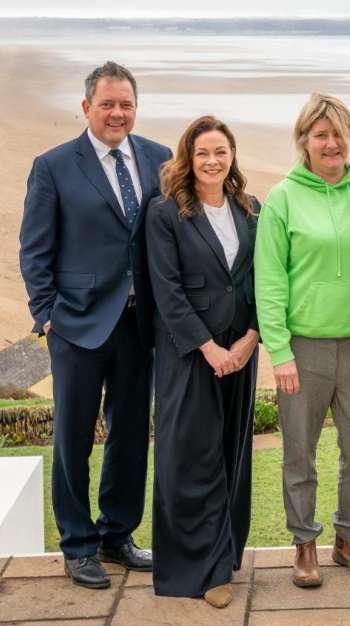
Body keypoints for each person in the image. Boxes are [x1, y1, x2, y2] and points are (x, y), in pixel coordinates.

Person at [19, 62, 170, 588]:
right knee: (74, 439)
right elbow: (35, 248)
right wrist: (47, 316)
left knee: (130, 435)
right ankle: (78, 544)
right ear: (86, 107)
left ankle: (117, 535)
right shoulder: (54, 165)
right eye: (107, 104)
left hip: (140, 324)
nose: (117, 113)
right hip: (78, 325)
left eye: (126, 104)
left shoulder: (159, 158)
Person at [255, 93, 350, 589]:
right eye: (320, 135)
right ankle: (304, 542)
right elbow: (269, 282)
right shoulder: (283, 198)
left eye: (339, 134)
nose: (331, 144)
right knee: (299, 453)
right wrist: (280, 352)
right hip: (303, 349)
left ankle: (348, 536)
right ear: (304, 141)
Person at [145, 116, 260, 608]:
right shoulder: (165, 213)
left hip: (242, 350)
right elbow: (166, 291)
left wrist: (251, 339)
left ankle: (225, 554)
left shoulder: (250, 208)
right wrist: (208, 348)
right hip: (190, 353)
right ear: (187, 159)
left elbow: (262, 277)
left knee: (231, 452)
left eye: (221, 152)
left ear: (232, 155)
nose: (212, 161)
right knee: (191, 458)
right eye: (203, 154)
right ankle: (197, 570)